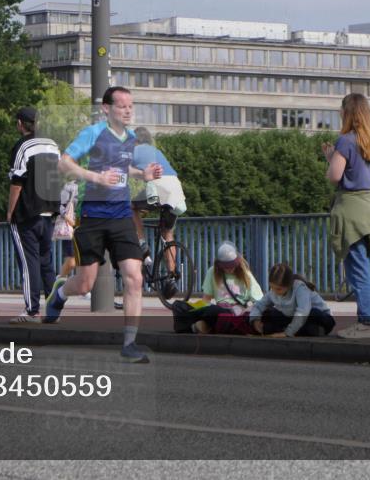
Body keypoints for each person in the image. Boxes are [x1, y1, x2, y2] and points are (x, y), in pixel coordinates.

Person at [43, 86, 162, 364]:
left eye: (131, 106)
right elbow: (64, 164)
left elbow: (123, 169)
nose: (128, 110)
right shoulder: (93, 133)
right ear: (107, 109)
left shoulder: (131, 138)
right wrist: (96, 178)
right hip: (93, 216)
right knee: (85, 285)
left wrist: (142, 174)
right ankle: (60, 292)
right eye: (122, 106)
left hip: (121, 215)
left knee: (135, 277)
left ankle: (129, 343)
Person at [323, 93, 370, 340]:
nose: (340, 114)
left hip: (351, 212)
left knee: (358, 270)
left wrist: (331, 159)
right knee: (369, 269)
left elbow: (334, 176)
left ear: (348, 113)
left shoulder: (345, 141)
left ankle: (367, 323)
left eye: (341, 110)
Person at [6, 107, 62, 324]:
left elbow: (17, 182)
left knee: (28, 262)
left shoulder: (22, 147)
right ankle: (52, 311)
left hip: (27, 212)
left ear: (21, 123)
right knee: (46, 261)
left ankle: (32, 311)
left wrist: (10, 211)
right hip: (50, 210)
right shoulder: (53, 144)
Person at [130, 126, 187, 294]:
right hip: (175, 189)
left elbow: (126, 174)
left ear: (136, 140)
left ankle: (141, 244)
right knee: (167, 233)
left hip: (158, 186)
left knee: (131, 206)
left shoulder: (135, 151)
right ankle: (171, 275)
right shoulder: (156, 151)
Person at [191, 241, 263, 334]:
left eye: (232, 265)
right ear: (219, 264)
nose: (229, 269)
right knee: (182, 307)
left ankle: (209, 326)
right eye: (225, 266)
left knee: (220, 313)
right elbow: (206, 299)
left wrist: (244, 310)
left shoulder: (246, 275)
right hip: (219, 310)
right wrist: (193, 308)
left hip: (237, 311)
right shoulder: (212, 271)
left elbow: (258, 301)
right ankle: (218, 326)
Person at [250, 262, 335, 337]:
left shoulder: (299, 288)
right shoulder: (273, 292)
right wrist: (255, 320)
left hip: (320, 318)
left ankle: (304, 330)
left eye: (279, 289)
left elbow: (303, 312)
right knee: (271, 314)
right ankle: (297, 330)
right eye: (272, 287)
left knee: (312, 313)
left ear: (289, 285)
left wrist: (287, 333)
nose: (275, 292)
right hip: (293, 318)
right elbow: (259, 305)